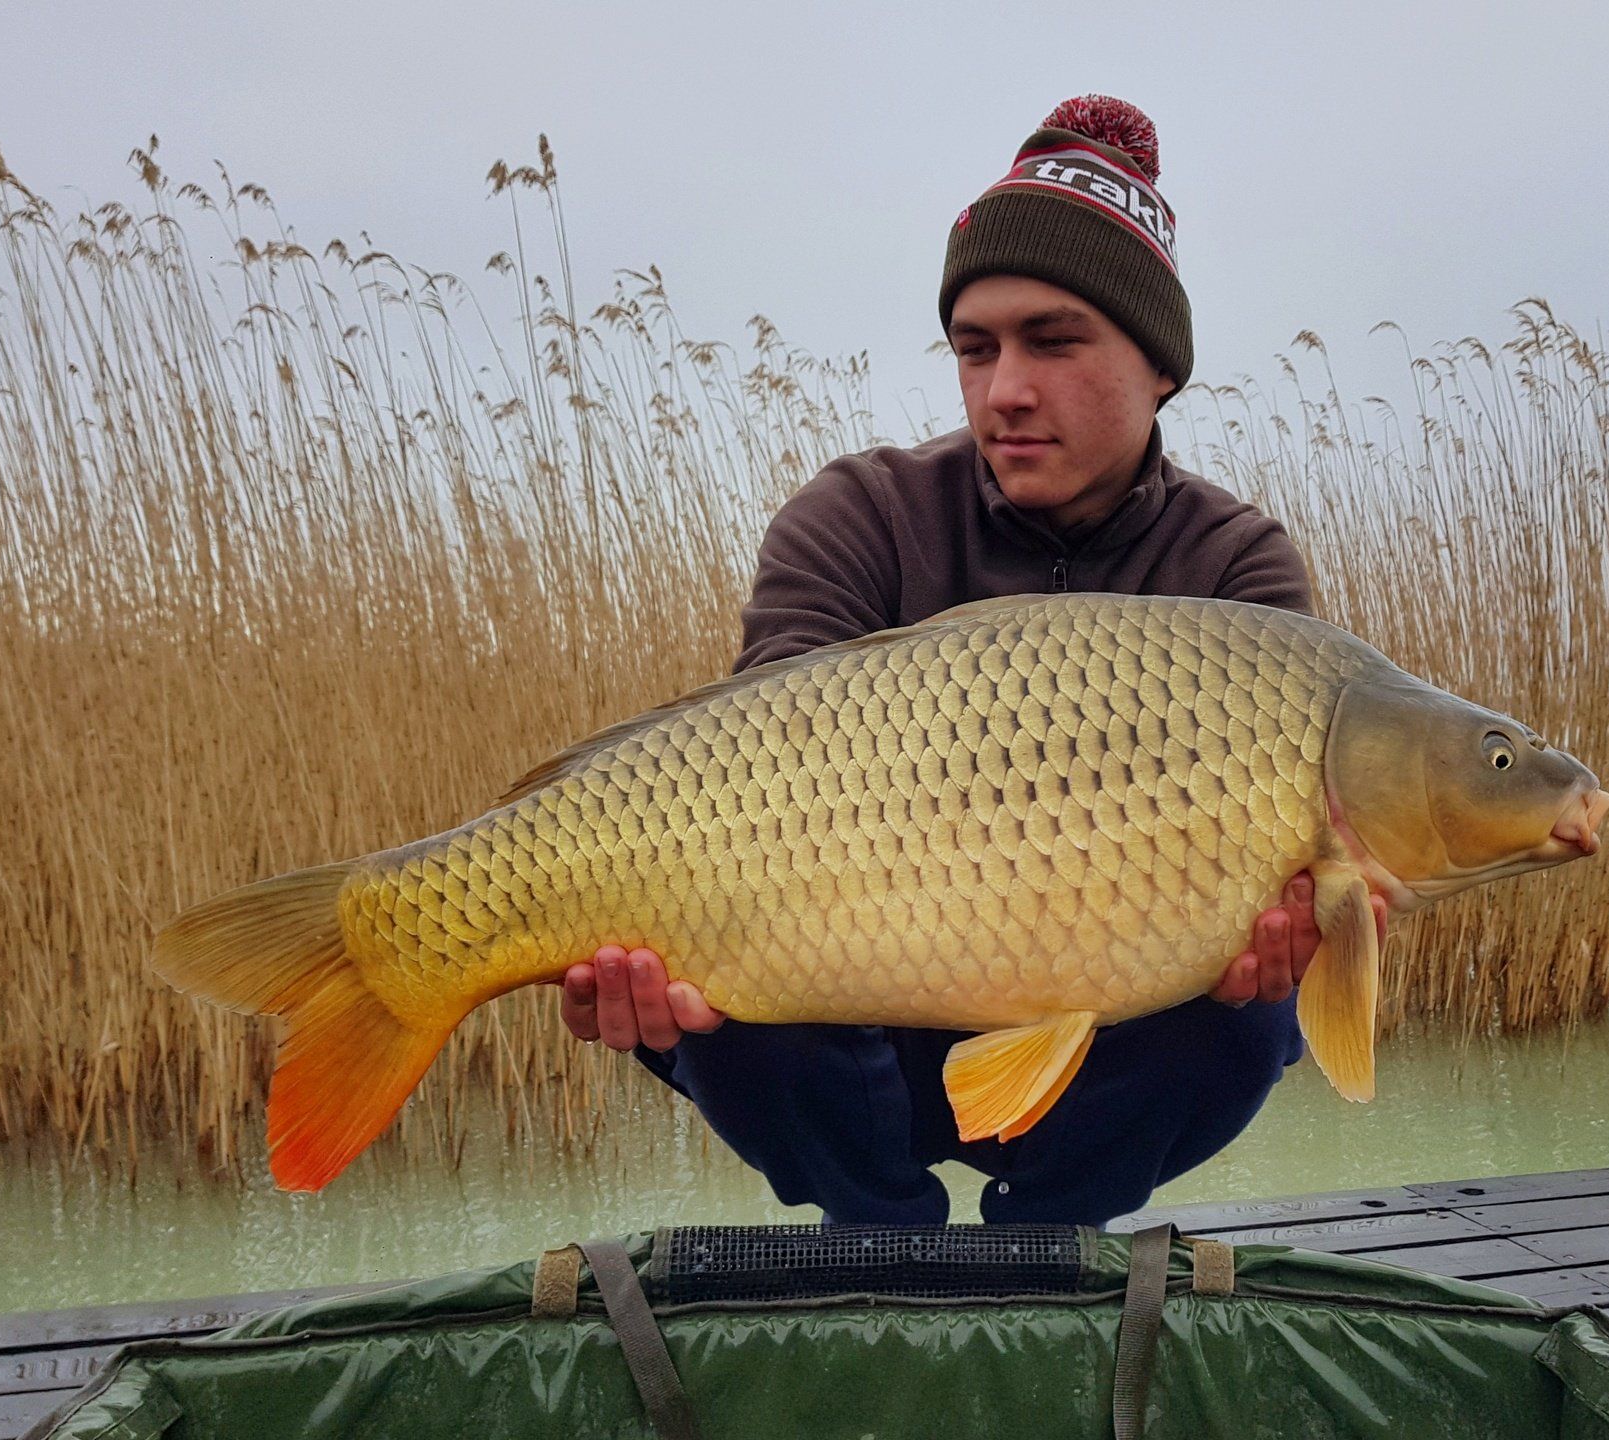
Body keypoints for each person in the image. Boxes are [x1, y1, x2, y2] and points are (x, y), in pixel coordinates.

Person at [550, 95, 1386, 1227]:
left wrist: (1299, 936)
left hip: (1098, 1045)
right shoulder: (858, 514)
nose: (1005, 391)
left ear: (1160, 366)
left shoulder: (1233, 567)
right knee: (727, 985)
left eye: (1053, 341)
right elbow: (749, 777)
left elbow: (1294, 915)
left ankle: (1045, 1246)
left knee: (1246, 1012)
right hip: (855, 1017)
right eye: (973, 348)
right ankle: (887, 1245)